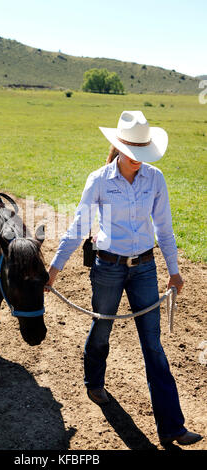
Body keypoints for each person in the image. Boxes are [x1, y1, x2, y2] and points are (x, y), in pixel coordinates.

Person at [47, 110, 202, 446]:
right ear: (120, 148)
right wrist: (54, 271)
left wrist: (174, 272)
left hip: (145, 268)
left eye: (143, 154)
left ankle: (172, 427)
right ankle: (94, 379)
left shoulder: (155, 178)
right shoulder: (99, 180)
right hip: (108, 267)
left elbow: (164, 228)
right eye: (134, 154)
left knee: (153, 345)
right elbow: (78, 228)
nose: (139, 161)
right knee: (102, 327)